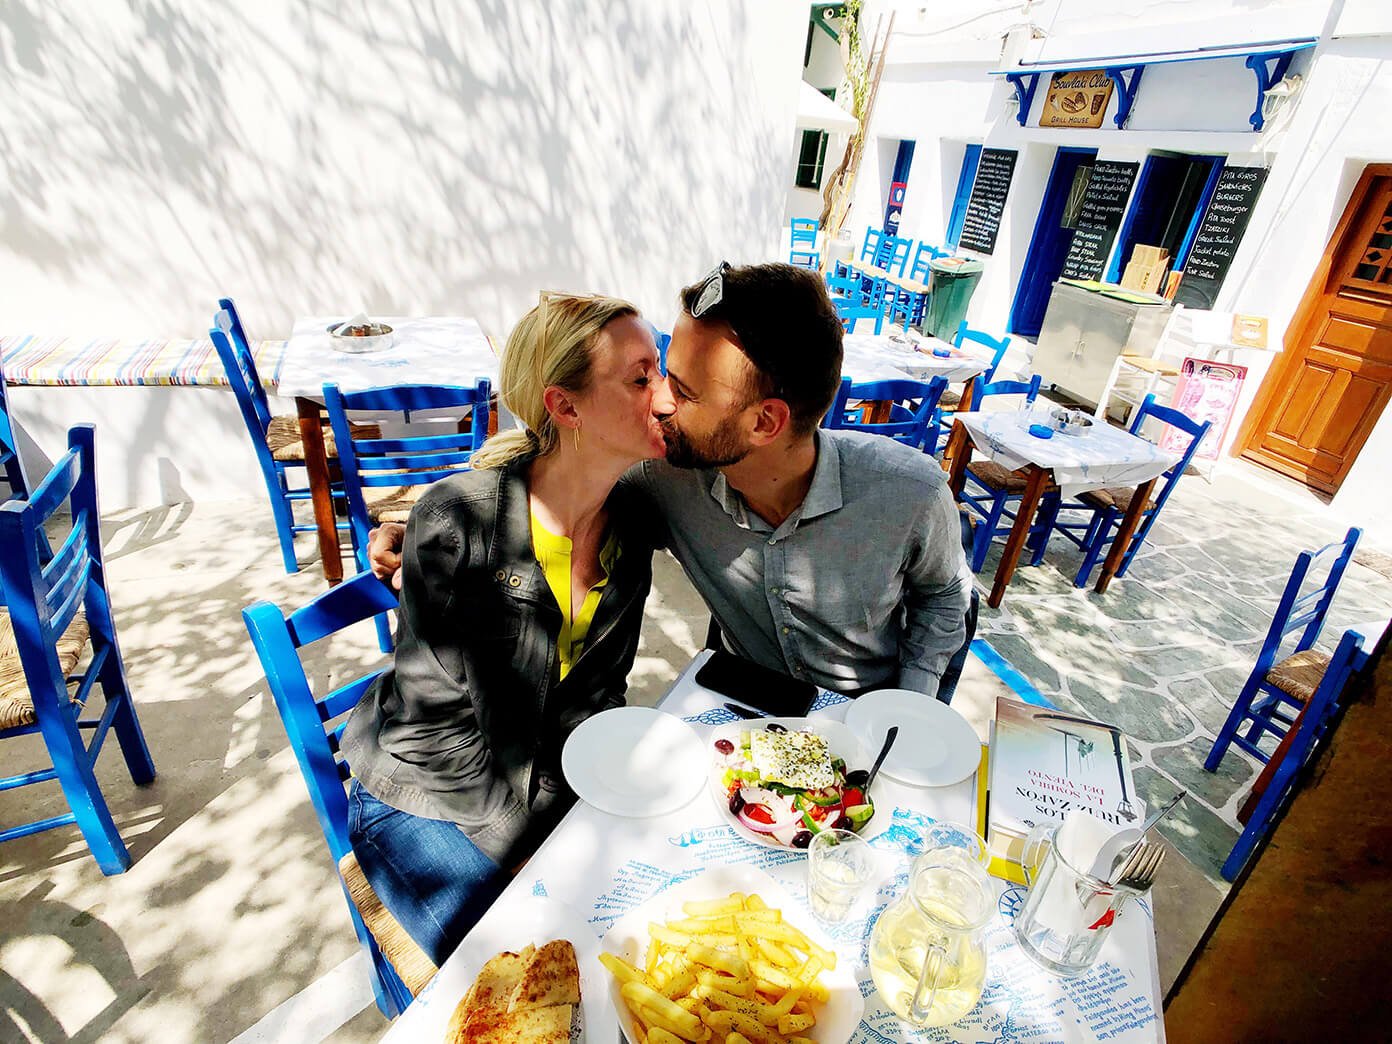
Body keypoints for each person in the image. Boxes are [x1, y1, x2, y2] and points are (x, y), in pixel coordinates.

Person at [371, 263, 973, 701]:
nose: (662, 402)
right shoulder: (664, 480)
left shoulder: (910, 491)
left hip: (873, 720)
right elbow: (551, 480)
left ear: (766, 422)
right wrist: (429, 523)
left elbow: (946, 593)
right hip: (744, 710)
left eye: (682, 390)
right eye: (658, 375)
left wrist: (912, 706)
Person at [340, 293, 666, 965]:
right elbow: (434, 736)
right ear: (565, 406)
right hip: (424, 795)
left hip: (540, 781)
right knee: (537, 987)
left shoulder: (633, 522)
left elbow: (601, 697)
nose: (665, 398)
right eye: (640, 378)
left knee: (649, 939)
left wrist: (602, 808)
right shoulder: (462, 522)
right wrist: (534, 852)